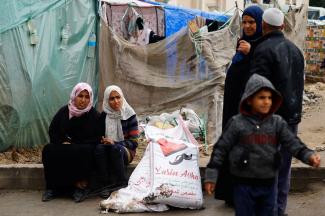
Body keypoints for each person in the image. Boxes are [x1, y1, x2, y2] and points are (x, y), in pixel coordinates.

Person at [204, 74, 320, 216]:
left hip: (269, 184)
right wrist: (211, 176)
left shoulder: (277, 123)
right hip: (243, 185)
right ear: (249, 100)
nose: (266, 102)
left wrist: (308, 156)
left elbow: (293, 143)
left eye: (269, 98)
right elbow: (221, 150)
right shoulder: (237, 123)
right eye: (261, 98)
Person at [249, 8, 305, 216]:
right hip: (291, 120)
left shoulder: (262, 50)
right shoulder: (296, 51)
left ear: (263, 26)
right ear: (282, 26)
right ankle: (279, 210)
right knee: (284, 169)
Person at [219, 5, 264, 205]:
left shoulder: (261, 45)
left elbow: (261, 73)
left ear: (261, 23)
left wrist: (252, 51)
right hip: (232, 109)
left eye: (251, 22)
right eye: (244, 22)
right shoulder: (242, 43)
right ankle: (231, 194)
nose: (247, 25)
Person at [42, 82, 101, 202]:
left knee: (83, 151)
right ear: (74, 96)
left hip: (84, 148)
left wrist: (75, 143)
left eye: (86, 97)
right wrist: (62, 141)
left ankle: (78, 188)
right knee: (48, 150)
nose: (83, 100)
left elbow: (97, 137)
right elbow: (53, 130)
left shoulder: (94, 115)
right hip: (64, 146)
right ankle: (52, 188)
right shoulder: (64, 111)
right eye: (80, 96)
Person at [95, 85, 139, 198]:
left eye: (118, 97)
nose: (116, 101)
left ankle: (121, 183)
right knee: (99, 148)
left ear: (122, 97)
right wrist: (103, 140)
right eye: (111, 98)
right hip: (107, 148)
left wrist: (115, 142)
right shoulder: (104, 115)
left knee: (115, 149)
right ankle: (105, 185)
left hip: (126, 151)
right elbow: (99, 136)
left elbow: (134, 142)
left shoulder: (129, 114)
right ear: (106, 100)